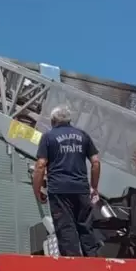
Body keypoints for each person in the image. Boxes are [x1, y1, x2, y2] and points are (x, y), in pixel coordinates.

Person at [32, 106, 101, 257]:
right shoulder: (83, 135)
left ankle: (72, 265)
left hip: (59, 191)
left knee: (66, 230)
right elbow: (96, 162)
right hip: (81, 189)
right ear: (69, 120)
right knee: (86, 227)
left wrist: (37, 190)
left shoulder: (48, 137)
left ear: (53, 121)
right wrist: (94, 187)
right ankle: (94, 263)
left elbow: (40, 165)